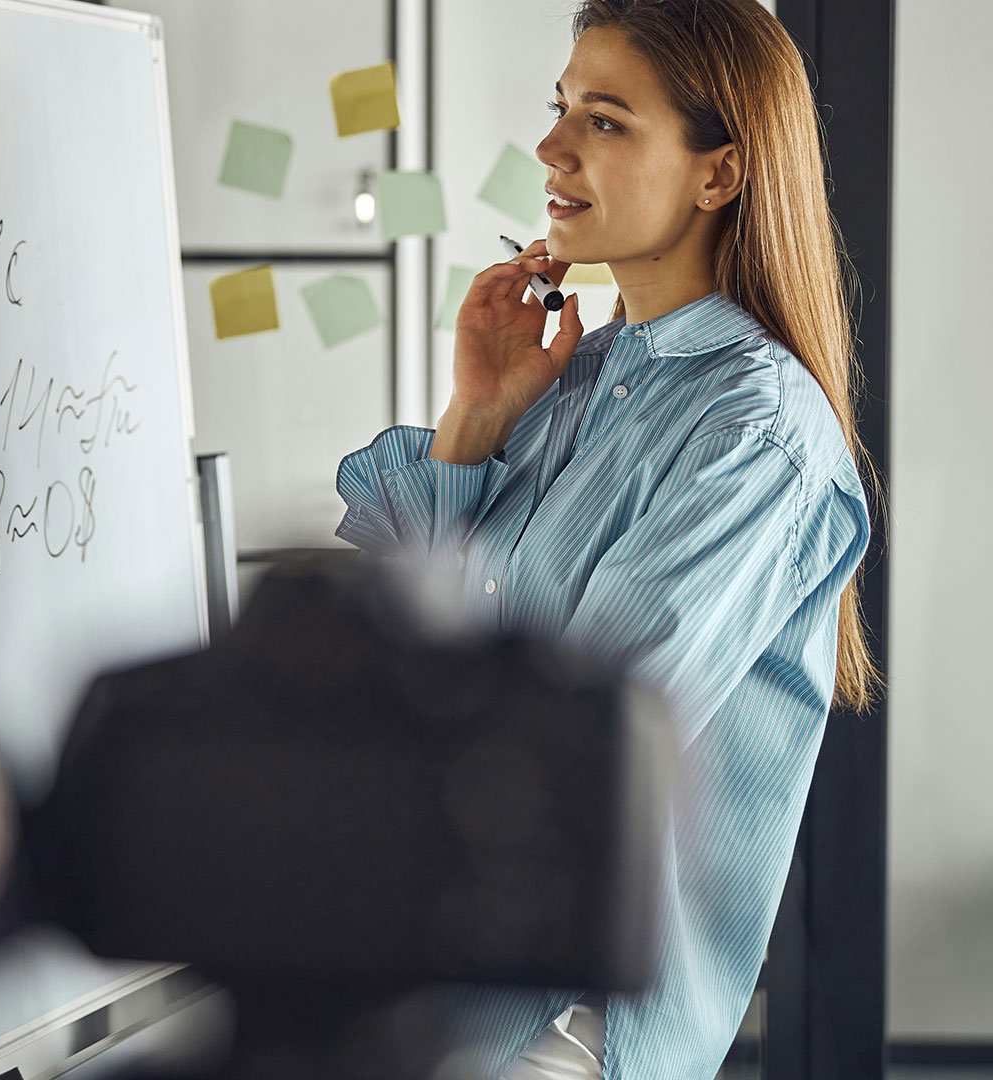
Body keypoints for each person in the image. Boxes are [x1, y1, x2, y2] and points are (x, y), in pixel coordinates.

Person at [333, 0, 883, 1076]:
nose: (551, 147)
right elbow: (411, 628)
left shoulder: (754, 435)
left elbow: (576, 733)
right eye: (560, 109)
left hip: (558, 1023)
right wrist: (477, 416)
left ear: (718, 174)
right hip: (444, 973)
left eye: (606, 120)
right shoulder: (576, 377)